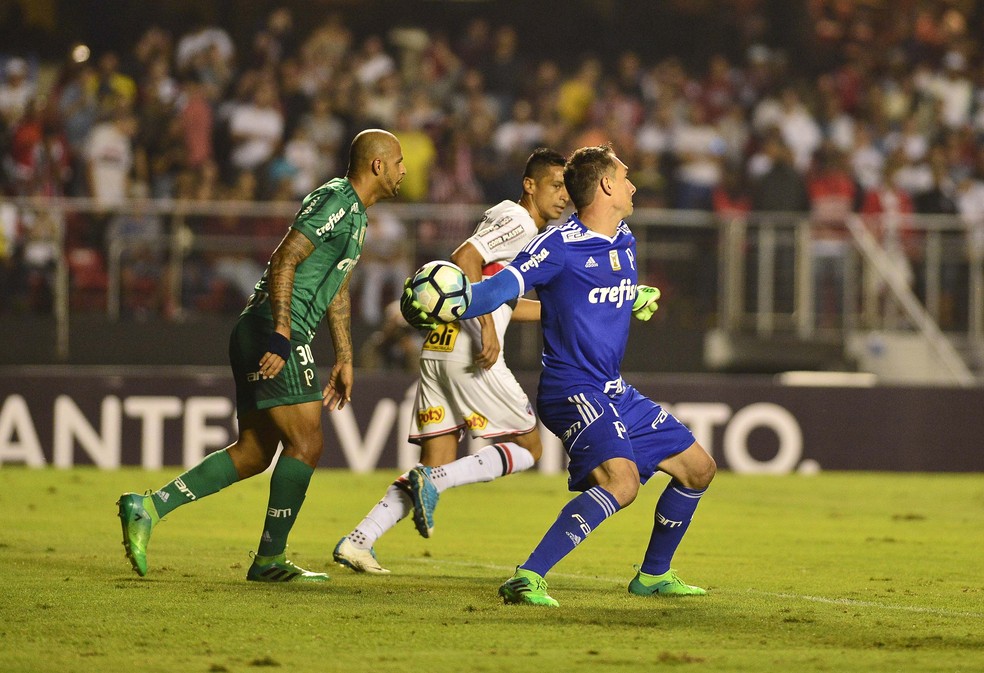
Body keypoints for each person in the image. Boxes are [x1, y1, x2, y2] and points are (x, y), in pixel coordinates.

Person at [403, 144, 715, 606]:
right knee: (622, 483)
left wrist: (633, 296)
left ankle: (653, 575)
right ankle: (528, 576)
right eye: (625, 177)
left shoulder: (624, 237)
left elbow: (590, 292)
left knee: (698, 469)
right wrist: (457, 302)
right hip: (572, 388)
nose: (632, 186)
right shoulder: (557, 245)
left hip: (612, 388)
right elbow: (501, 288)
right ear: (606, 185)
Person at [116, 129, 406, 582]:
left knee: (254, 452)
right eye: (399, 162)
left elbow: (337, 290)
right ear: (378, 165)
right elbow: (284, 258)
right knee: (307, 444)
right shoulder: (336, 200)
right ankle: (270, 558)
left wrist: (344, 357)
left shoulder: (358, 217)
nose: (405, 170)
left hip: (267, 327)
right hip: (273, 327)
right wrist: (283, 333)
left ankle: (148, 507)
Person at [333, 148, 569, 574]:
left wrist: (564, 310)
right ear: (529, 185)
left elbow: (501, 297)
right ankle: (433, 484)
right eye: (555, 185)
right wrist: (488, 328)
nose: (564, 195)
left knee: (435, 461)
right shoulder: (519, 221)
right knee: (530, 447)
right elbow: (464, 258)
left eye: (567, 187)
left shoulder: (510, 222)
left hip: (440, 345)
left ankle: (358, 541)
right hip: (469, 350)